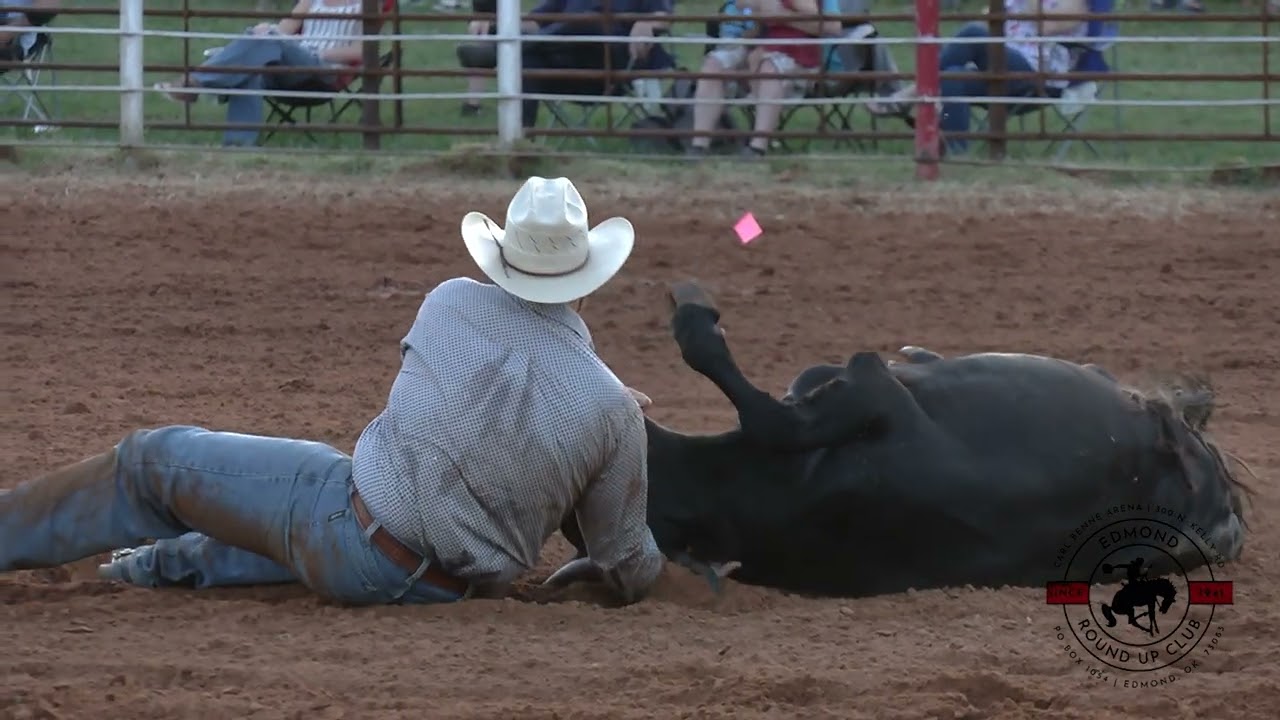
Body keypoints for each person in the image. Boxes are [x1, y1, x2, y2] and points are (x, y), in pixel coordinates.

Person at [0, 176, 667, 607]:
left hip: (356, 535)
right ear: (588, 278)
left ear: (503, 257)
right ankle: (148, 569)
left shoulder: (452, 303)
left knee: (153, 463)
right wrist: (614, 420)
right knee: (317, 502)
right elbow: (625, 560)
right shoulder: (609, 410)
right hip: (441, 589)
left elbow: (477, 393)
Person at [870, 0, 1088, 154]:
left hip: (1037, 74)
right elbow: (991, 21)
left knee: (973, 33)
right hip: (1001, 66)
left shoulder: (1076, 2)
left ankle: (915, 91)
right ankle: (956, 153)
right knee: (952, 76)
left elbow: (1046, 24)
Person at [153, 0, 381, 146]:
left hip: (323, 69)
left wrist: (317, 50)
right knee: (256, 56)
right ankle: (238, 146)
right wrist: (268, 30)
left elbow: (363, 50)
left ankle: (196, 83)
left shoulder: (368, 3)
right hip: (292, 62)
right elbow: (283, 31)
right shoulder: (312, 0)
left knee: (266, 43)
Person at [454, 0, 675, 128]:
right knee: (527, 60)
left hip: (611, 66)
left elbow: (663, 15)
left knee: (588, 21)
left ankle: (498, 53)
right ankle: (520, 144)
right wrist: (499, 25)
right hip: (565, 69)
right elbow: (534, 22)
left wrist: (647, 22)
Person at [684, 0, 842, 158]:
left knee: (770, 66)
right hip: (758, 45)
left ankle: (757, 148)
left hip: (797, 54)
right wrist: (759, 13)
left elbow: (833, 27)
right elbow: (744, 8)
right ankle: (699, 146)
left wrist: (783, 15)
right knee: (715, 63)